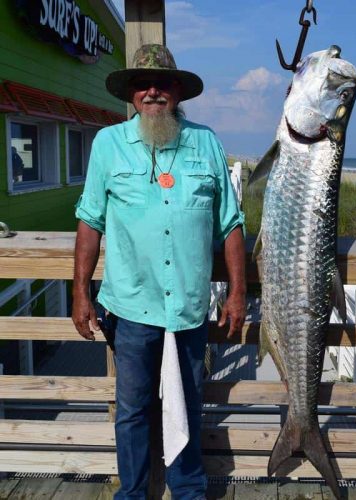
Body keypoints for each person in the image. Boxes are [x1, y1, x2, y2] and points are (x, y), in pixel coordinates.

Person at [72, 44, 246, 500]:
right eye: (142, 85)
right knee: (132, 409)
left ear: (177, 91)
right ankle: (132, 493)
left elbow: (230, 222)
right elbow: (90, 220)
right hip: (130, 306)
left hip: (188, 305)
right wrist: (80, 293)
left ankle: (188, 490)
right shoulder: (108, 144)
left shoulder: (206, 141)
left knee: (188, 402)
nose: (152, 92)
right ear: (131, 94)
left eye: (162, 84)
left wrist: (237, 293)